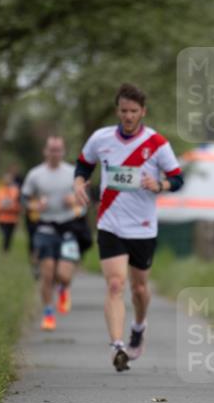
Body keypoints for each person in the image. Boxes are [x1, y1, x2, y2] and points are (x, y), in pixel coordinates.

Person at [73, 83, 184, 372]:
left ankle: (138, 325)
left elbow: (177, 179)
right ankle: (117, 346)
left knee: (139, 288)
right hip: (110, 223)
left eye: (134, 111)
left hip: (143, 227)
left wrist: (158, 184)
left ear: (143, 112)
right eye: (124, 111)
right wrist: (78, 183)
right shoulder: (101, 138)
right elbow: (83, 165)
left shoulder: (157, 143)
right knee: (114, 284)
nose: (128, 116)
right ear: (117, 111)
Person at [21, 135, 92, 331]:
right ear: (46, 151)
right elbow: (24, 200)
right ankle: (48, 314)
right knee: (47, 273)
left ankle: (64, 288)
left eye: (58, 150)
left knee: (64, 275)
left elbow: (85, 200)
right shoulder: (35, 174)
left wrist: (75, 200)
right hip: (45, 227)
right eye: (51, 149)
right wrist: (36, 204)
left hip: (69, 226)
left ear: (63, 152)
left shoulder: (72, 173)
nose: (54, 153)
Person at [0, 168, 21, 252]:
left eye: (9, 179)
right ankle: (4, 249)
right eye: (6, 179)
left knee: (9, 235)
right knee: (4, 234)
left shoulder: (16, 191)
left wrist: (13, 207)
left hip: (12, 218)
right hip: (1, 218)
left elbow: (19, 204)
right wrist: (0, 207)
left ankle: (6, 250)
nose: (7, 181)